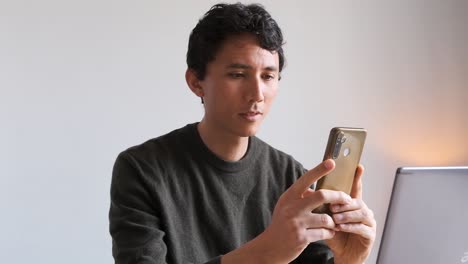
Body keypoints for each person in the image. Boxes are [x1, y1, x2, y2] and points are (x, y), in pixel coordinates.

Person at [109, 3, 376, 264]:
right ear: (196, 82)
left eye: (268, 77)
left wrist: (350, 260)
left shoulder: (290, 176)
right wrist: (265, 253)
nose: (257, 94)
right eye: (238, 74)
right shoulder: (142, 169)